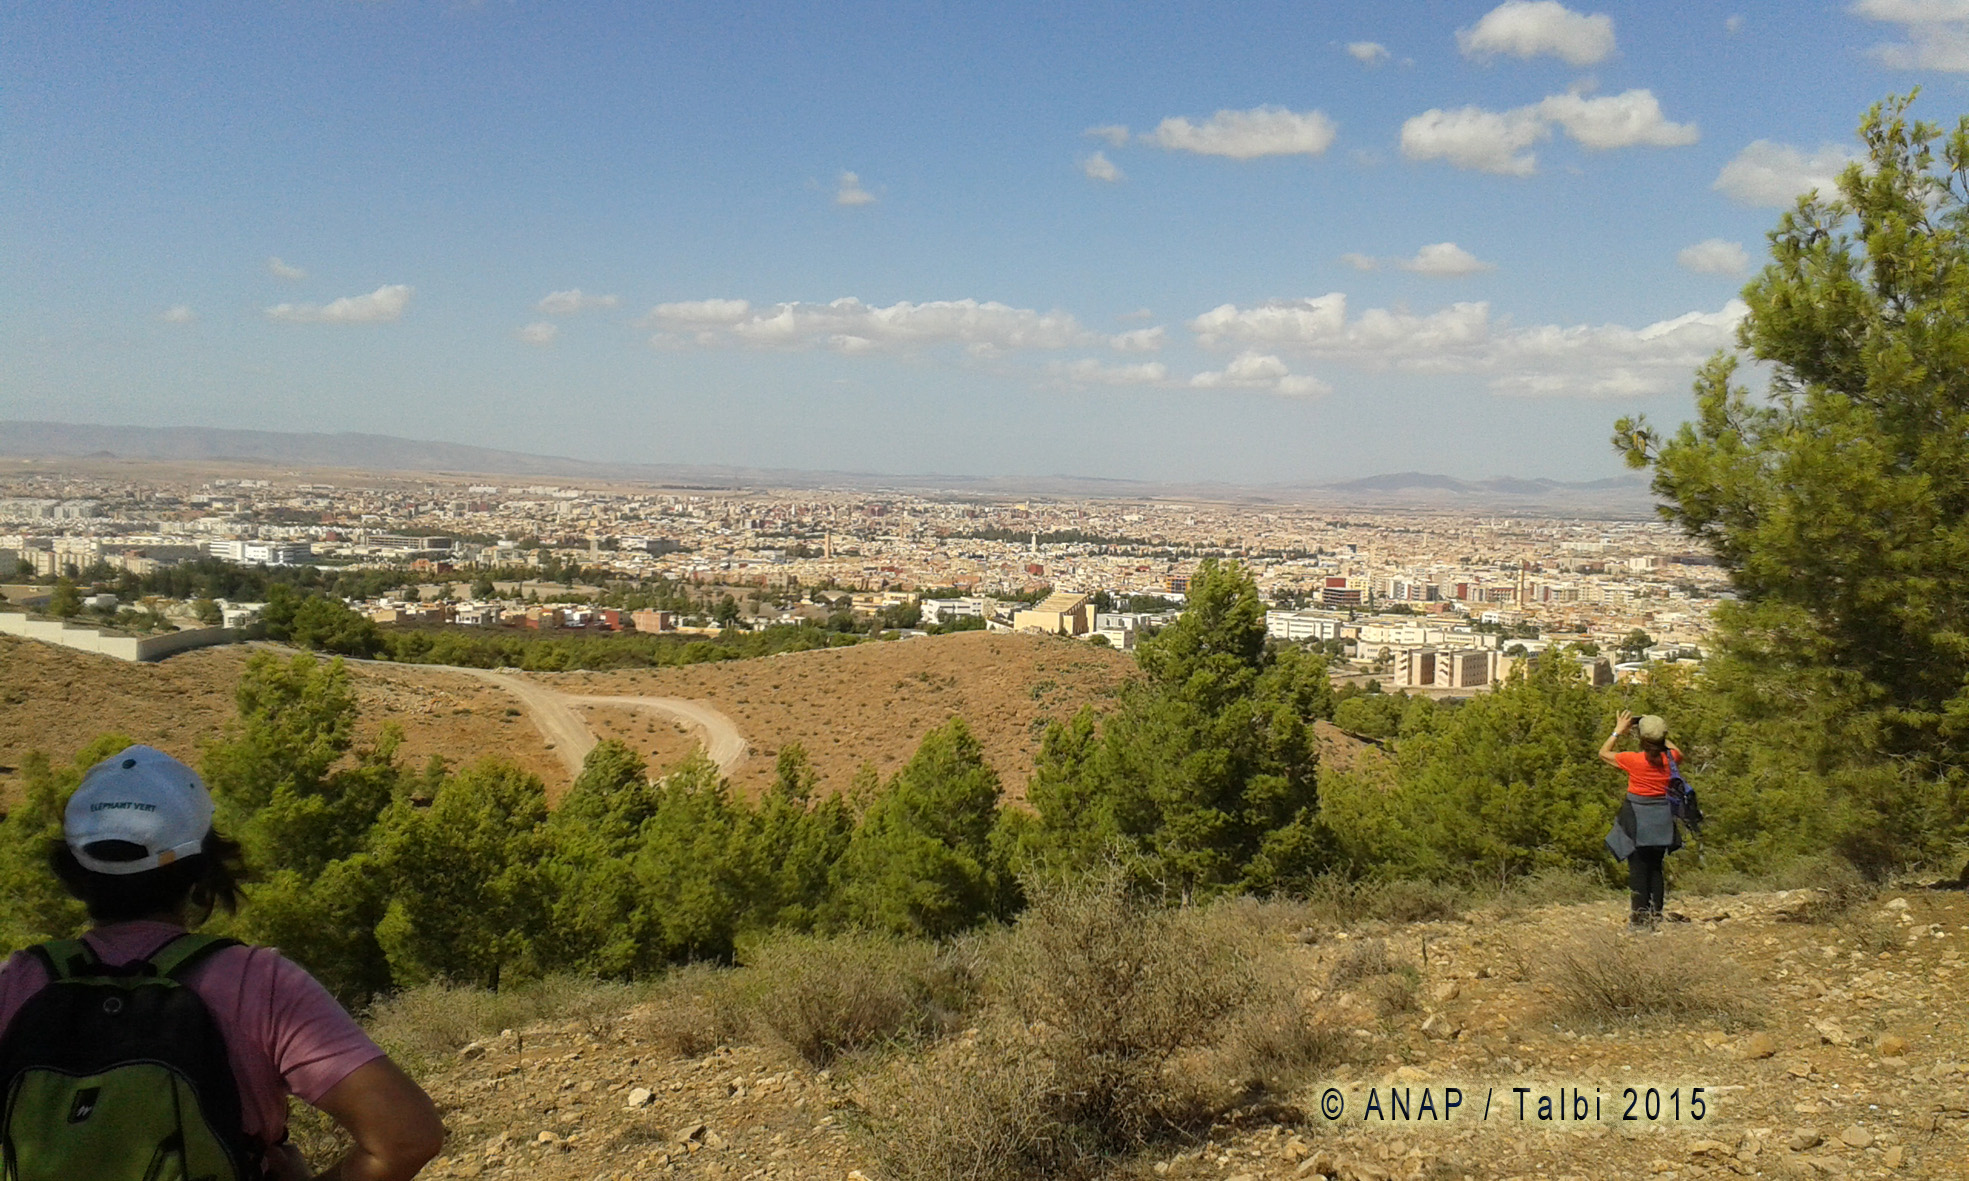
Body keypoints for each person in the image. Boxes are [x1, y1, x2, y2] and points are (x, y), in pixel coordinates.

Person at [0, 745, 445, 1181]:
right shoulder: (260, 985)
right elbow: (407, 1137)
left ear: (74, 873)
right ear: (202, 869)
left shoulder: (16, 982)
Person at [1599, 711, 1684, 929]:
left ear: (1643, 739)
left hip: (1637, 819)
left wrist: (1618, 730)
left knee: (1638, 868)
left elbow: (1603, 753)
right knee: (1655, 867)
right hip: (1662, 820)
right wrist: (1658, 733)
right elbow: (1677, 751)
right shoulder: (1672, 759)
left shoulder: (1634, 760)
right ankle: (1655, 914)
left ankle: (1639, 919)